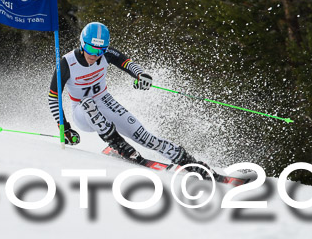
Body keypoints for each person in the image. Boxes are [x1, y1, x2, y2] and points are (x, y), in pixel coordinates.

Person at [48, 21, 210, 176]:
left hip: (104, 101)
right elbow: (53, 98)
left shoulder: (107, 54)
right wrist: (65, 128)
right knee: (88, 103)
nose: (95, 55)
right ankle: (118, 145)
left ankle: (191, 163)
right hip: (81, 112)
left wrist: (141, 75)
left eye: (100, 50)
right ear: (82, 44)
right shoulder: (67, 63)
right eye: (91, 48)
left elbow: (127, 63)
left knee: (145, 137)